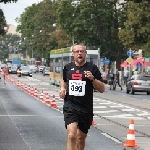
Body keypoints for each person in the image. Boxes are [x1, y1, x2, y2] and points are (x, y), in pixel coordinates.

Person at [59, 43, 105, 150]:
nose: (79, 53)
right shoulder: (67, 68)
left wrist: (92, 79)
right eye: (77, 51)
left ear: (85, 53)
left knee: (80, 138)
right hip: (70, 106)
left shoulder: (92, 68)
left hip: (86, 108)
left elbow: (102, 89)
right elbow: (64, 79)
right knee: (71, 135)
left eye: (82, 51)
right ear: (73, 54)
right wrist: (62, 88)